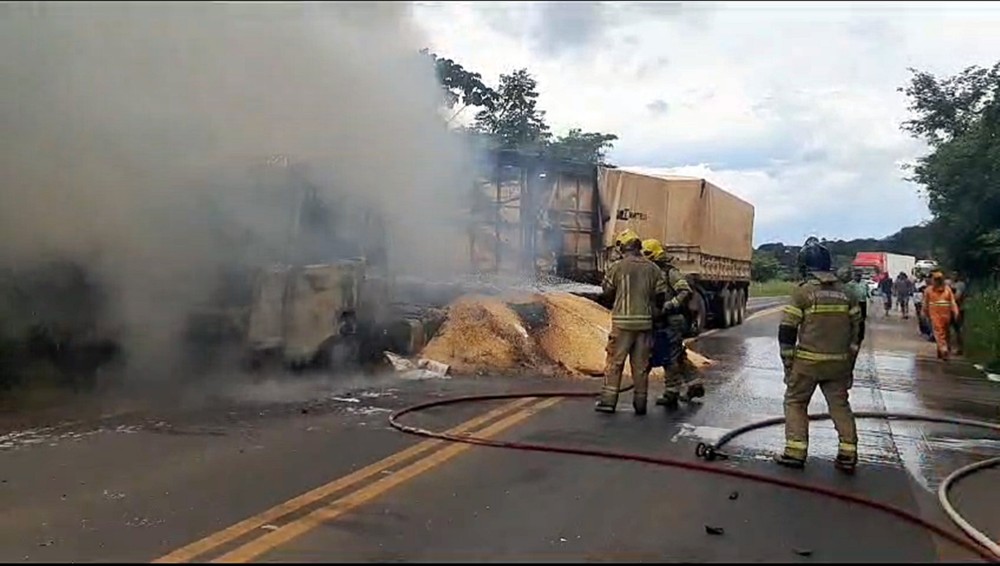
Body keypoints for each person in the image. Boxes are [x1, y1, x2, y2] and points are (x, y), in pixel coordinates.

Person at [776, 238, 862, 473]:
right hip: (839, 364)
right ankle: (848, 454)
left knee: (795, 402)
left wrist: (788, 365)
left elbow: (787, 331)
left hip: (807, 364)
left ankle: (795, 452)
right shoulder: (848, 294)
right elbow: (858, 332)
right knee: (840, 405)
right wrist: (850, 364)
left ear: (805, 267)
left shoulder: (803, 293)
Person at [596, 229, 668, 415]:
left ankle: (608, 402)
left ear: (622, 247)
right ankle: (640, 404)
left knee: (615, 362)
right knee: (641, 366)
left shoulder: (617, 267)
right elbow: (661, 296)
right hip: (645, 324)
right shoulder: (653, 268)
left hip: (622, 324)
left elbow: (607, 292)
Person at [640, 238, 705, 408]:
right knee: (678, 354)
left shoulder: (670, 272)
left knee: (669, 357)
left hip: (673, 320)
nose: (643, 258)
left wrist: (671, 305)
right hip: (662, 321)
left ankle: (671, 392)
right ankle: (695, 384)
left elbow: (685, 291)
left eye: (646, 254)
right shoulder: (651, 271)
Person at [922, 270, 960, 360]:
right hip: (945, 315)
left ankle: (944, 349)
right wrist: (956, 312)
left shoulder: (929, 290)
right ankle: (941, 351)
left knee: (940, 333)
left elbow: (925, 303)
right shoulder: (947, 290)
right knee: (944, 333)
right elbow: (952, 302)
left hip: (936, 315)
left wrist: (924, 313)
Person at [844, 269, 869, 348]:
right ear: (854, 276)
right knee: (854, 317)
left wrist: (869, 297)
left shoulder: (864, 283)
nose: (858, 277)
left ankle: (860, 335)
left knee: (862, 319)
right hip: (854, 302)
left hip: (863, 302)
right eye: (857, 275)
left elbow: (867, 291)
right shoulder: (849, 285)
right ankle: (853, 335)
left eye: (859, 275)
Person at [950, 273, 967, 355]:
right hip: (951, 309)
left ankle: (960, 348)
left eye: (955, 274)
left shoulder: (960, 285)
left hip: (959, 309)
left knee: (958, 329)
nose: (953, 276)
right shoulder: (951, 284)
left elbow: (957, 297)